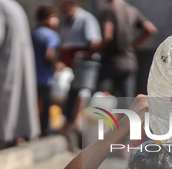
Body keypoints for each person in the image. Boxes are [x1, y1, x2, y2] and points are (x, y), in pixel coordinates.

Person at [0, 0, 40, 148]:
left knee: (6, 99)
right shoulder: (13, 5)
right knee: (18, 99)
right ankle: (16, 134)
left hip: (6, 63)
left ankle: (6, 137)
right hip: (18, 60)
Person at [97, 0, 157, 99]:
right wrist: (131, 46)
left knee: (102, 99)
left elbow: (107, 36)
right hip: (129, 62)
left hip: (111, 62)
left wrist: (92, 51)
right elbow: (150, 30)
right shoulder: (131, 10)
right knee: (126, 101)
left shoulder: (108, 9)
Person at [58, 0, 102, 132]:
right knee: (69, 92)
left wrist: (86, 55)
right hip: (70, 63)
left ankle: (79, 119)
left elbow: (95, 41)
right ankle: (68, 122)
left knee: (83, 90)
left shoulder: (86, 19)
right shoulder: (65, 21)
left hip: (83, 64)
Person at [32, 5, 61, 136]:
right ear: (45, 19)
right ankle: (45, 129)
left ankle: (34, 129)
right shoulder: (51, 35)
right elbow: (49, 54)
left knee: (34, 104)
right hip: (45, 77)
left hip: (32, 76)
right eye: (53, 17)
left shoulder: (32, 33)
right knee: (46, 103)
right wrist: (57, 64)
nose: (56, 20)